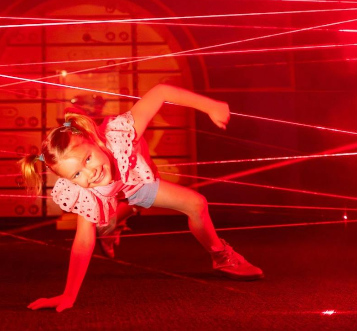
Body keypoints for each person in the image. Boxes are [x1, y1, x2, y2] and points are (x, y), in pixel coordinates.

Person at [19, 84, 263, 313]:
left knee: (169, 199)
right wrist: (68, 295)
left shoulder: (119, 134)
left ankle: (113, 223)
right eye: (77, 174)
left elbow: (161, 91)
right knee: (195, 203)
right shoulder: (87, 190)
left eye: (88, 159)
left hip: (135, 175)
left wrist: (209, 106)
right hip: (129, 190)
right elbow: (83, 243)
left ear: (95, 141)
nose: (90, 173)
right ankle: (221, 257)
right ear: (71, 181)